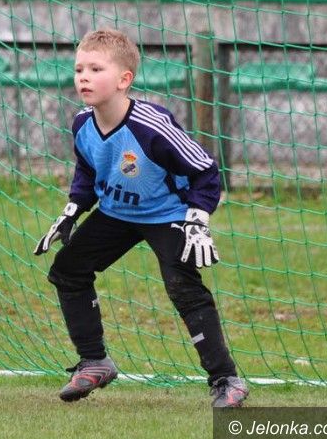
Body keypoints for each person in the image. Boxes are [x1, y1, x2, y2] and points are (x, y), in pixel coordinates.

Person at [33, 28, 248, 408]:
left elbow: (205, 170)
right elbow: (88, 170)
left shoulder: (152, 125)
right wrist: (73, 209)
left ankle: (226, 380)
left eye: (95, 69)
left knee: (183, 287)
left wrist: (197, 219)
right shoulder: (81, 123)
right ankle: (95, 362)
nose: (83, 77)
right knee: (67, 270)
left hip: (167, 213)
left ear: (124, 79)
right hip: (117, 212)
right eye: (79, 69)